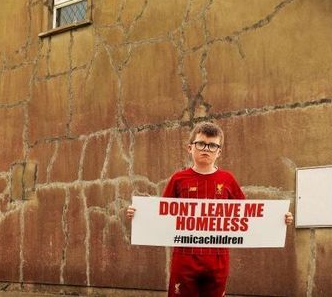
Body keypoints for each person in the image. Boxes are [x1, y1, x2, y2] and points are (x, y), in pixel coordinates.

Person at [126, 121, 294, 297]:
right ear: (189, 148)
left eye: (212, 145)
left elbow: (249, 216)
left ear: (219, 152)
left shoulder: (227, 180)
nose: (206, 148)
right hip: (184, 259)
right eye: (200, 144)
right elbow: (161, 213)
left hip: (218, 260)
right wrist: (139, 215)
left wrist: (279, 219)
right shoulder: (178, 179)